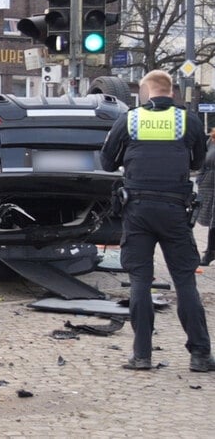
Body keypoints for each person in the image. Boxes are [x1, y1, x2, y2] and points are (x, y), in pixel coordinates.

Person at [99, 69, 215, 372]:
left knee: (140, 281)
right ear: (171, 92)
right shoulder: (186, 120)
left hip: (137, 209)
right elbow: (198, 162)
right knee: (184, 280)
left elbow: (107, 161)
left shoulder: (130, 119)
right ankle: (200, 355)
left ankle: (142, 356)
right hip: (175, 209)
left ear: (147, 92)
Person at [196, 128, 215, 265]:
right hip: (209, 184)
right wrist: (200, 178)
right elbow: (203, 160)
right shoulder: (211, 140)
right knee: (212, 219)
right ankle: (211, 251)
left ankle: (210, 252)